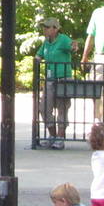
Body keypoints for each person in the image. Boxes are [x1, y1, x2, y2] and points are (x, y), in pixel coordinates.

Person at [35, 17, 73, 149]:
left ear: (55, 29)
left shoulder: (63, 39)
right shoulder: (46, 42)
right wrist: (36, 59)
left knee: (62, 108)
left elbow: (72, 46)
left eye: (47, 27)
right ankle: (53, 135)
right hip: (50, 79)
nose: (44, 29)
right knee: (44, 108)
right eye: (44, 27)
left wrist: (74, 46)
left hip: (63, 78)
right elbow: (39, 55)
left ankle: (60, 138)